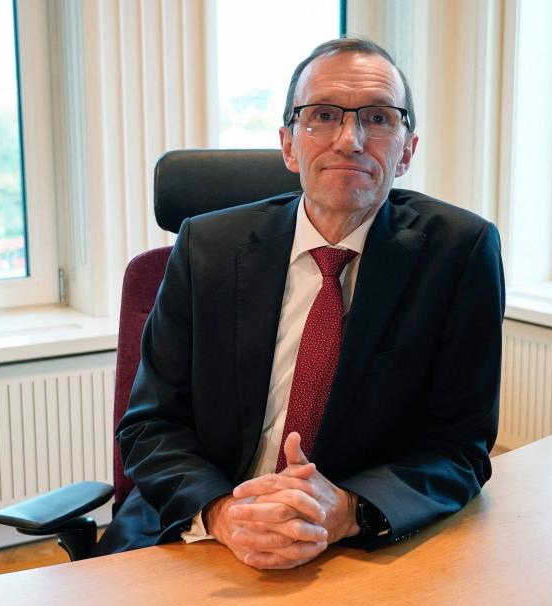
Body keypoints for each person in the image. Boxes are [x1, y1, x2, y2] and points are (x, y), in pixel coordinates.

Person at [96, 38, 505, 570]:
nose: (351, 140)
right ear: (289, 145)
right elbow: (149, 424)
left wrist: (349, 510)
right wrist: (223, 513)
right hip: (194, 530)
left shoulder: (460, 252)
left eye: (379, 117)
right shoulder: (207, 248)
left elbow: (460, 446)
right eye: (324, 116)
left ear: (407, 150)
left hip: (348, 548)